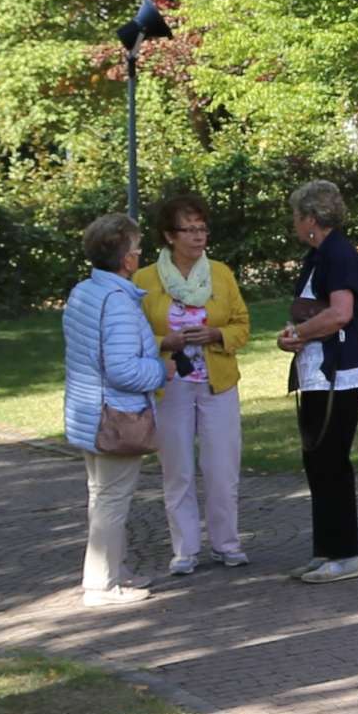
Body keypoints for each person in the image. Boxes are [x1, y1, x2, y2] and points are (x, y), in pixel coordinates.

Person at [133, 192, 252, 577]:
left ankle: (227, 543)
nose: (199, 237)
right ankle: (185, 549)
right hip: (170, 386)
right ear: (170, 235)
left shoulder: (221, 273)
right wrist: (164, 343)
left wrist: (216, 334)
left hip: (217, 383)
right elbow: (131, 338)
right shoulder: (145, 281)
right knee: (178, 470)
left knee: (222, 467)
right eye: (189, 230)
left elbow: (242, 325)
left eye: (203, 229)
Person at [62, 213, 173, 607]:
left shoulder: (83, 292)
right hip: (115, 415)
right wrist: (162, 369)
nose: (140, 255)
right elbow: (123, 369)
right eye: (138, 249)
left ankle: (113, 569)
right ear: (126, 259)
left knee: (100, 495)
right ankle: (101, 586)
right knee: (111, 499)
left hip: (87, 412)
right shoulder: (118, 302)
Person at [278, 180, 358, 584]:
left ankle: (345, 554)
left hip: (338, 371)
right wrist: (296, 333)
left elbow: (340, 313)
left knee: (331, 461)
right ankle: (326, 550)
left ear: (311, 218)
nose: (295, 224)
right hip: (318, 371)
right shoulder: (319, 256)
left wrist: (299, 335)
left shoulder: (338, 254)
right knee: (317, 461)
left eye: (297, 216)